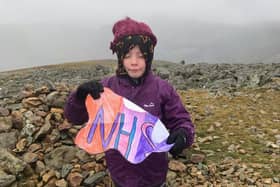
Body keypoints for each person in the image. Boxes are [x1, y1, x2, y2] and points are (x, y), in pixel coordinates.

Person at [64, 17, 195, 187]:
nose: (134, 62)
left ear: (149, 57)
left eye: (141, 56)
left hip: (154, 176)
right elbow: (74, 117)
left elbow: (181, 120)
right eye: (127, 56)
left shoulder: (162, 89)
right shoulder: (106, 88)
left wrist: (183, 135)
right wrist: (80, 96)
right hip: (120, 174)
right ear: (120, 57)